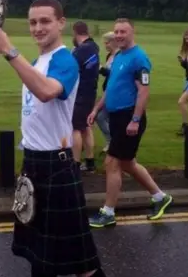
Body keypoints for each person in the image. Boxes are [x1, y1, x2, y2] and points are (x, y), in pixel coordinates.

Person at [0, 0, 115, 277]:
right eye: (32, 22)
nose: (38, 27)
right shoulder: (36, 62)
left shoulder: (65, 61)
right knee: (39, 259)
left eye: (45, 21)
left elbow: (45, 92)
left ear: (61, 22)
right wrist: (11, 56)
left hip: (57, 170)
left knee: (83, 266)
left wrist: (9, 50)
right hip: (33, 165)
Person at [87, 18, 172, 228]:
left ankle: (108, 212)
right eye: (116, 32)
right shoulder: (118, 57)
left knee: (112, 162)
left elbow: (143, 91)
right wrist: (97, 109)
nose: (118, 35)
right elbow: (111, 88)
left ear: (132, 32)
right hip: (116, 117)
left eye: (123, 31)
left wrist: (135, 120)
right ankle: (160, 197)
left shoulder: (138, 58)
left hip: (129, 118)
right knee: (127, 163)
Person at [71, 21, 100, 171]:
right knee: (86, 126)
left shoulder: (80, 50)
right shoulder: (94, 47)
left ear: (75, 33)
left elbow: (70, 68)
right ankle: (90, 161)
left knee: (75, 128)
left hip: (79, 94)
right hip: (90, 92)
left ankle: (75, 162)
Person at [95, 32, 118, 153]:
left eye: (107, 42)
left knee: (100, 117)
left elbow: (115, 75)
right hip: (108, 91)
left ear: (114, 42)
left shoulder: (119, 56)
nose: (105, 45)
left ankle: (112, 141)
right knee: (106, 118)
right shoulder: (110, 56)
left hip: (114, 93)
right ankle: (112, 142)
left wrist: (101, 69)